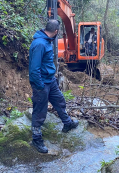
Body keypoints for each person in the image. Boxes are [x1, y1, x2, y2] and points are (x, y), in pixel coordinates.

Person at [29, 19, 79, 153]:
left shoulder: (46, 41)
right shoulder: (39, 44)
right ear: (56, 31)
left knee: (60, 101)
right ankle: (36, 139)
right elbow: (34, 69)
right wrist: (39, 86)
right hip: (42, 83)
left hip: (50, 81)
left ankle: (67, 123)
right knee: (40, 110)